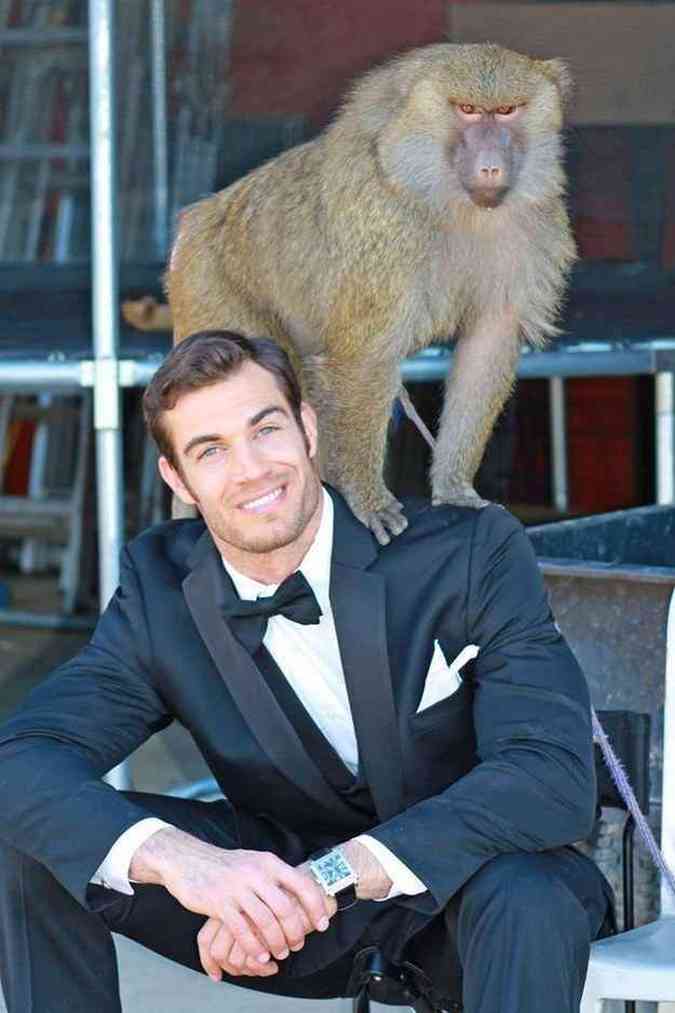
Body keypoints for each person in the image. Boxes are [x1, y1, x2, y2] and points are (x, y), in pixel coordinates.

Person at [0, 330, 613, 1013]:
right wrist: (187, 863)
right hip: (283, 909)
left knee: (529, 892)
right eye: (210, 450)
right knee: (38, 834)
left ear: (308, 427)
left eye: (265, 429)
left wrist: (337, 873)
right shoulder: (161, 589)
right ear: (177, 480)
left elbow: (551, 776)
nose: (253, 469)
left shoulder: (465, 553)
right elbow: (22, 758)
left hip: (464, 888)